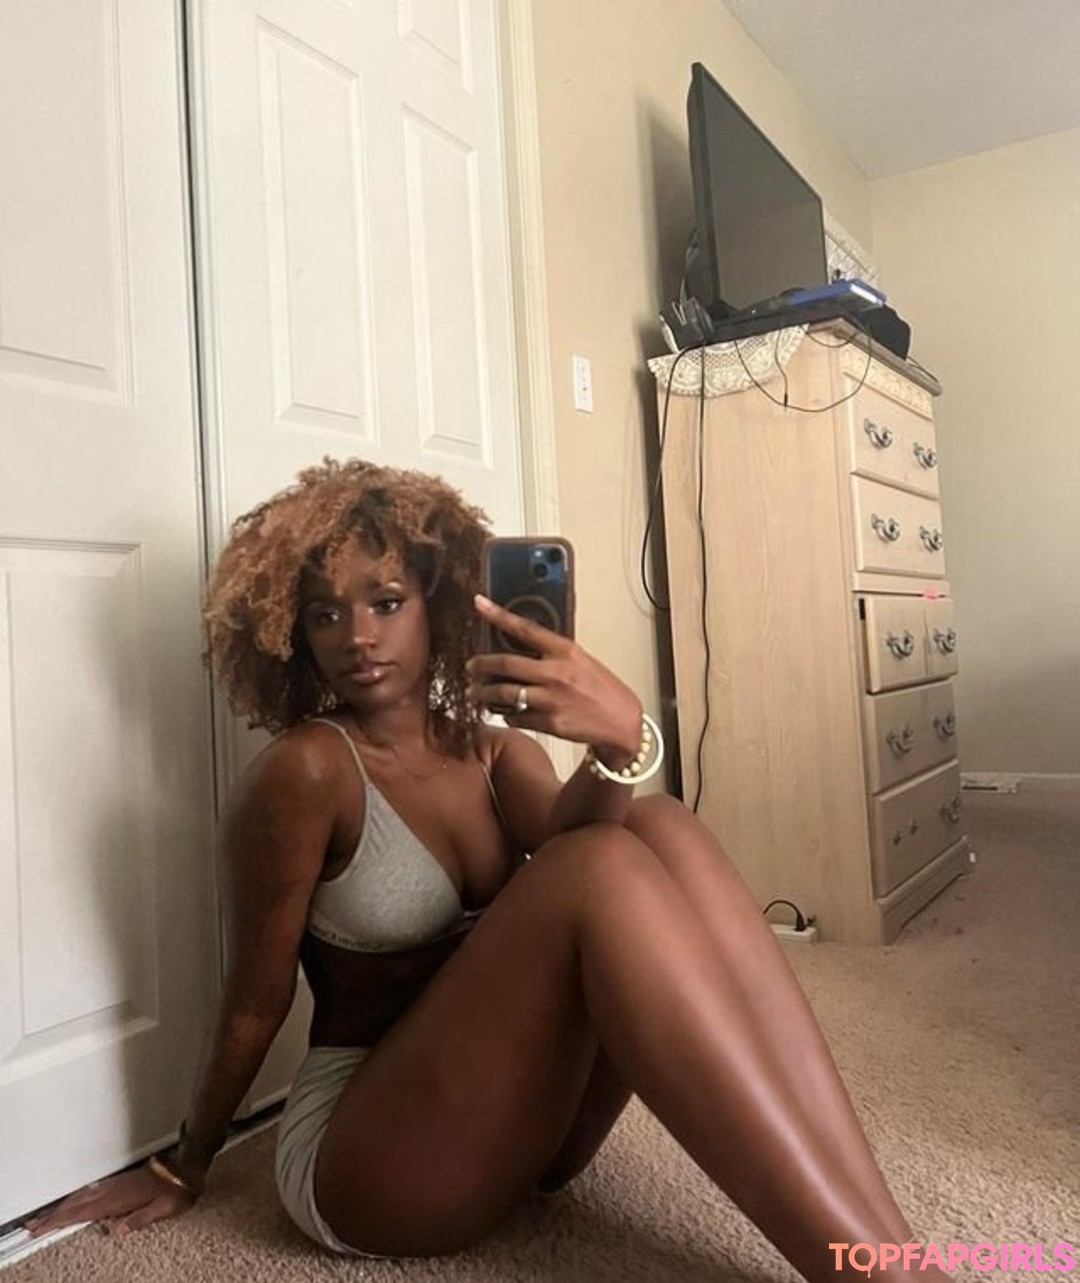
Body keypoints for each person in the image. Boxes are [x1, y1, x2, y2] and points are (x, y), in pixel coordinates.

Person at [26, 457, 947, 1282]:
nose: (357, 635)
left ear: (440, 604)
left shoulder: (495, 751)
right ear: (295, 635)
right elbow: (254, 1001)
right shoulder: (307, 772)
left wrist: (622, 742)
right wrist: (184, 1161)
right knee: (599, 863)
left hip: (513, 1132)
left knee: (656, 823)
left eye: (386, 601)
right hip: (364, 1157)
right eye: (325, 613)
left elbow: (596, 846)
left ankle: (889, 1253)